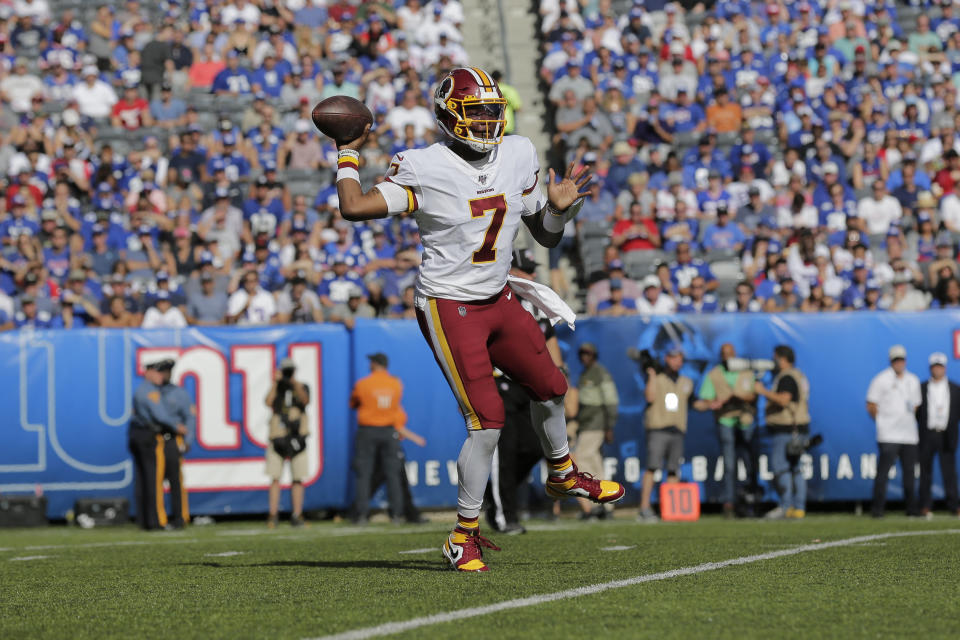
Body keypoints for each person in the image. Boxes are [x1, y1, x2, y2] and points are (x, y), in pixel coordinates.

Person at [335, 66, 624, 571]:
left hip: (498, 296)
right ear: (450, 117)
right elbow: (355, 207)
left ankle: (562, 471)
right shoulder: (424, 165)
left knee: (552, 386)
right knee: (487, 421)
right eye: (478, 113)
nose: (489, 122)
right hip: (450, 305)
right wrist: (347, 152)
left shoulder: (519, 152)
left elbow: (547, 235)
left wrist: (559, 210)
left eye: (494, 112)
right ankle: (463, 534)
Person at [486, 249, 566, 534]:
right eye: (527, 270)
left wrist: (558, 378)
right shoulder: (496, 298)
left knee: (534, 447)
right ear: (512, 271)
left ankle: (495, 497)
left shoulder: (537, 302)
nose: (533, 275)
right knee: (504, 454)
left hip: (528, 386)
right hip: (500, 385)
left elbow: (551, 345)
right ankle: (503, 515)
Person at [349, 352, 425, 524]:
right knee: (393, 474)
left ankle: (361, 514)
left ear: (375, 364)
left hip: (367, 430)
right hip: (389, 431)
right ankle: (397, 514)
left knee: (364, 473)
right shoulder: (395, 384)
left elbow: (353, 403)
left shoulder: (363, 384)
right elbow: (396, 405)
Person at [694, 344, 757, 517]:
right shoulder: (715, 374)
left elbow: (754, 394)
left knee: (749, 462)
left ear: (735, 354)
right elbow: (703, 400)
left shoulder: (746, 371)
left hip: (745, 420)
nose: (727, 357)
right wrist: (712, 403)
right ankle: (730, 502)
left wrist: (738, 396)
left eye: (730, 353)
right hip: (725, 420)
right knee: (729, 465)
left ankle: (752, 499)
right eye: (724, 354)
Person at [128, 355, 188, 531]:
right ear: (148, 372)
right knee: (154, 479)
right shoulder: (149, 391)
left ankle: (145, 519)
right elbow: (160, 415)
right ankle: (156, 520)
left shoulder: (145, 389)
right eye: (157, 371)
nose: (161, 376)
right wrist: (177, 427)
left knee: (144, 479)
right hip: (148, 436)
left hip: (138, 434)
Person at [639, 345, 693, 522]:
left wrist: (712, 404)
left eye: (679, 357)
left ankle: (671, 509)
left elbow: (695, 402)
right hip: (658, 429)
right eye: (673, 357)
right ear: (666, 359)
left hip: (677, 430)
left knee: (672, 470)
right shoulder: (658, 378)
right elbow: (650, 397)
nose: (676, 361)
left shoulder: (686, 382)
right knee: (652, 467)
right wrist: (652, 375)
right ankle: (644, 508)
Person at [866, 345, 922, 518]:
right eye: (895, 360)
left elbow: (916, 405)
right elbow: (871, 404)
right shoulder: (881, 379)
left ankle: (912, 509)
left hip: (909, 435)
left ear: (905, 360)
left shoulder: (912, 380)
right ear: (891, 361)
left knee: (909, 474)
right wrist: (883, 422)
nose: (899, 363)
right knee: (883, 473)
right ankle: (878, 509)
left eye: (901, 359)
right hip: (888, 435)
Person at [755, 345, 810, 520]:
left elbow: (784, 400)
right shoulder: (799, 375)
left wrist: (763, 391)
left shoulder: (787, 377)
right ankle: (798, 507)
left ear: (782, 359)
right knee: (796, 469)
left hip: (787, 429)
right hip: (798, 428)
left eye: (775, 358)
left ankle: (787, 506)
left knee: (782, 467)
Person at [570, 342, 619, 520]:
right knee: (595, 462)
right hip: (587, 423)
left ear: (594, 355)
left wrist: (609, 426)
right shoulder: (585, 373)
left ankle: (597, 504)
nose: (585, 356)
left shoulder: (600, 372)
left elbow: (611, 400)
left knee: (583, 458)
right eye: (582, 353)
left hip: (596, 422)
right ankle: (605, 505)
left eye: (588, 353)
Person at [265, 358, 310, 528]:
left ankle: (297, 514)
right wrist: (276, 383)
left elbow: (305, 400)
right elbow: (268, 402)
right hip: (278, 436)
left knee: (298, 477)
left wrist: (294, 382)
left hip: (297, 437)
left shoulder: (301, 386)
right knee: (275, 477)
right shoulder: (278, 389)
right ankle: (273, 514)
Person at [916, 352, 960, 517]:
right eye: (935, 366)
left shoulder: (955, 388)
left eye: (940, 366)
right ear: (930, 368)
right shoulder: (921, 388)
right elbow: (917, 412)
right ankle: (925, 505)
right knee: (925, 472)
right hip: (927, 434)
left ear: (945, 368)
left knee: (949, 472)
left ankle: (954, 505)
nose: (937, 369)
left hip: (947, 434)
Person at [159, 356, 195, 530]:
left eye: (166, 371)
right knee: (155, 481)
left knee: (176, 480)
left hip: (172, 439)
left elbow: (189, 417)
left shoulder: (178, 393)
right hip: (155, 440)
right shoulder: (150, 392)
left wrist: (188, 440)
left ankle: (179, 517)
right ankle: (159, 518)